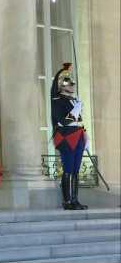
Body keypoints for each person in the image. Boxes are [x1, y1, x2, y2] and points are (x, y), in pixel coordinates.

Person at [51, 62, 88, 210]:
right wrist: (76, 109)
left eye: (72, 83)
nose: (72, 86)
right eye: (69, 83)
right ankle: (67, 201)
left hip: (77, 135)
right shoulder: (57, 101)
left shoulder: (73, 100)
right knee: (68, 169)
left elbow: (79, 122)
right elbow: (63, 120)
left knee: (76, 169)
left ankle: (75, 199)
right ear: (62, 86)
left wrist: (85, 136)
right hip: (66, 137)